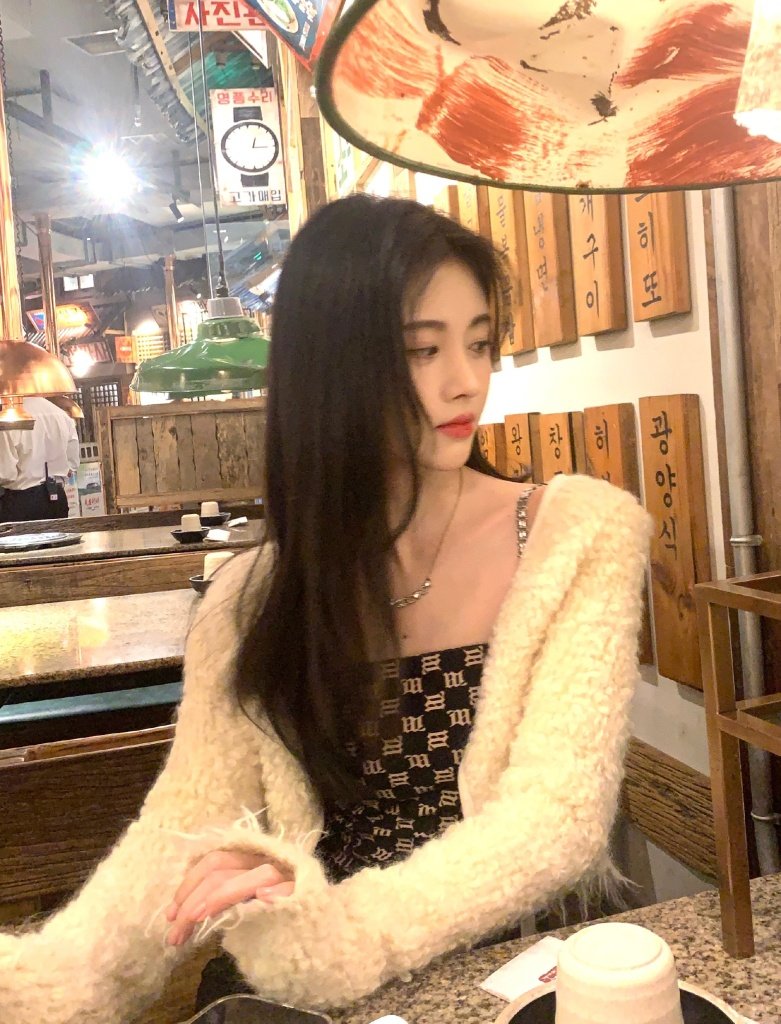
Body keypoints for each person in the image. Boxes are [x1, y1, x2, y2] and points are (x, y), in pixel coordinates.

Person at [0, 195, 649, 1024]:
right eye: (422, 349)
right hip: (311, 980)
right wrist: (44, 986)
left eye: (480, 342)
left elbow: (554, 820)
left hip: (516, 976)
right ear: (330, 367)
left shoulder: (574, 534)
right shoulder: (252, 596)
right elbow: (182, 824)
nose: (465, 380)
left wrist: (332, 937)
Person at [0, 395, 79, 523]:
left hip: (21, 502)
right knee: (58, 536)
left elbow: (6, 474)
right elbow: (73, 463)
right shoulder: (62, 416)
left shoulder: (10, 418)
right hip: (57, 499)